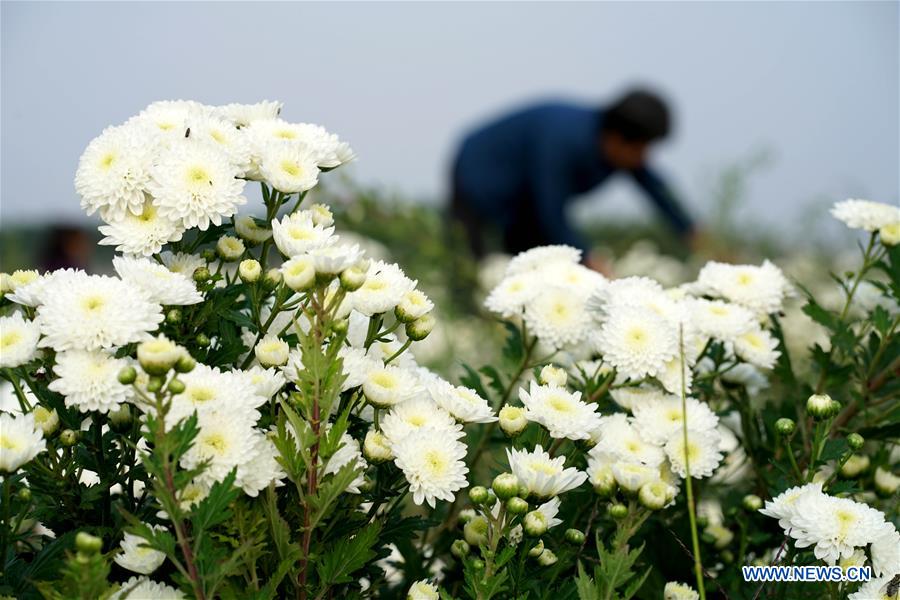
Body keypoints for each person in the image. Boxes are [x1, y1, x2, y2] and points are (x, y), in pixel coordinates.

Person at [450, 89, 698, 272]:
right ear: (617, 138)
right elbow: (550, 210)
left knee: (531, 267)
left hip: (523, 201)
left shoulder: (618, 147)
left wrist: (692, 232)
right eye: (642, 148)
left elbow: (656, 189)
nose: (644, 158)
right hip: (479, 175)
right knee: (471, 264)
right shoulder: (562, 139)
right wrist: (588, 258)